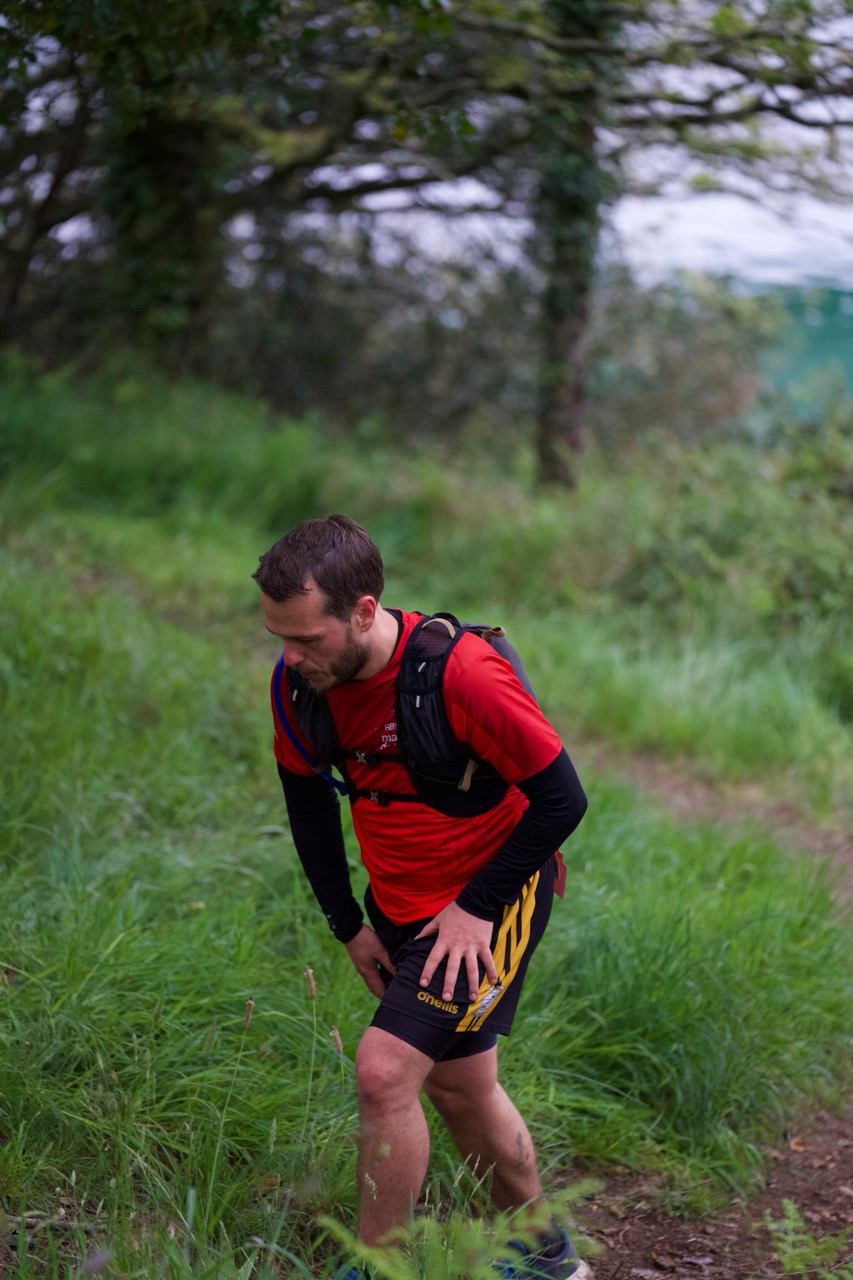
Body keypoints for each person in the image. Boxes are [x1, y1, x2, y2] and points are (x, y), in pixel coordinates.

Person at [253, 515, 590, 1280]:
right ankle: (546, 1256)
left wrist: (475, 910)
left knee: (383, 1072)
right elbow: (307, 800)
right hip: (398, 903)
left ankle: (381, 1267)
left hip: (490, 899)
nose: (290, 656)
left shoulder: (461, 675)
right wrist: (347, 922)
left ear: (363, 611)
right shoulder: (300, 684)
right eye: (278, 636)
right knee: (462, 1089)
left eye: (306, 638)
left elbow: (561, 800)